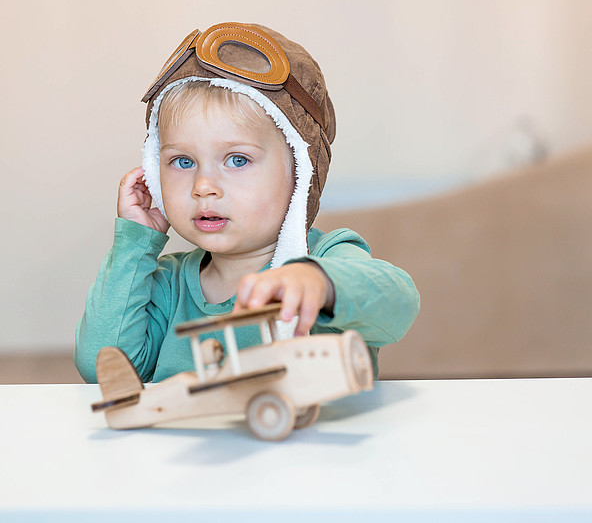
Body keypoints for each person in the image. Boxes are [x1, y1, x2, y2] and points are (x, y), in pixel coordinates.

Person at [75, 22, 419, 382]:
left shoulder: (327, 259)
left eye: (237, 160)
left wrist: (321, 285)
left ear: (300, 177)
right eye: (183, 162)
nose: (203, 186)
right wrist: (135, 243)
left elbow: (399, 304)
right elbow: (101, 368)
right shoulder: (167, 284)